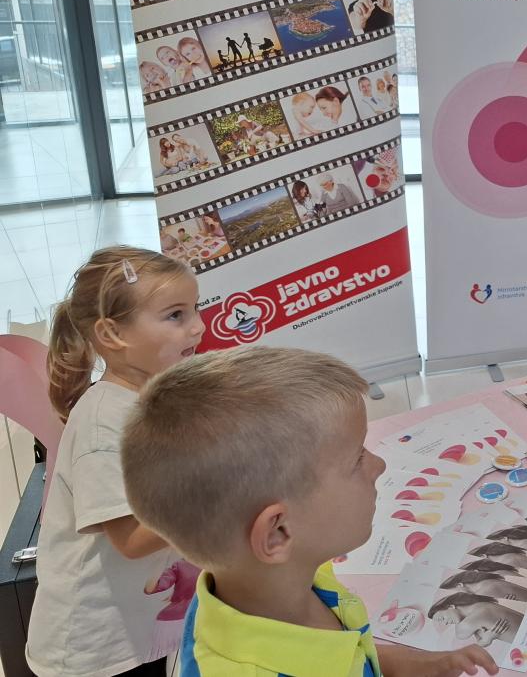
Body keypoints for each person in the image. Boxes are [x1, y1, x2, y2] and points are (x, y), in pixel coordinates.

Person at [120, 346, 499, 677]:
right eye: (357, 459)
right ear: (278, 533)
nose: (379, 465)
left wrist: (414, 664)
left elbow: (346, 655)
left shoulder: (293, 578)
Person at [25, 246, 206, 677]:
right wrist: (221, 495)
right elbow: (131, 539)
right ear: (112, 334)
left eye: (195, 308)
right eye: (176, 315)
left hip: (139, 621)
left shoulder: (153, 398)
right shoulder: (104, 422)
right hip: (92, 649)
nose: (198, 326)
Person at [427, 594, 521, 649]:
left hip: (524, 642)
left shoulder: (466, 624)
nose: (446, 623)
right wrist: (484, 640)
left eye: (442, 618)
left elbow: (460, 635)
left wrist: (484, 640)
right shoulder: (480, 603)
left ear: (451, 606)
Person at [439, 570, 527, 604]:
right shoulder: (485, 581)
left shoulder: (484, 591)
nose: (455, 598)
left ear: (459, 585)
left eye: (453, 592)